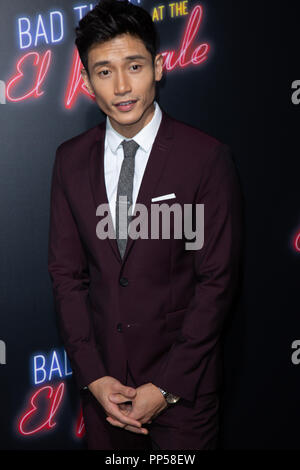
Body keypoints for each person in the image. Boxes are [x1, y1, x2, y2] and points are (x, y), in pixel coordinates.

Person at [48, 0, 243, 450]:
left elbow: (217, 282)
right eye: (103, 71)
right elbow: (67, 276)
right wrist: (94, 377)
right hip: (104, 398)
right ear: (85, 80)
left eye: (133, 65)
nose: (121, 86)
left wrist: (167, 387)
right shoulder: (69, 160)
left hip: (183, 399)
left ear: (158, 66)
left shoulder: (205, 158)